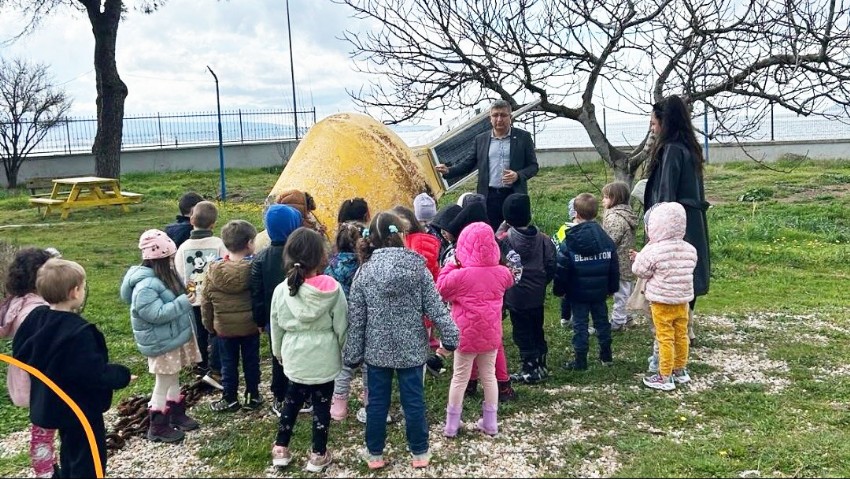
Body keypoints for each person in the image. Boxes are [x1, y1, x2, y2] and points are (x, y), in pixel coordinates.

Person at [343, 211, 459, 470]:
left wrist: (351, 356)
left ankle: (375, 454)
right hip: (411, 350)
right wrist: (450, 338)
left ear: (370, 239)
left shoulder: (364, 273)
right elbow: (436, 308)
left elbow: (357, 320)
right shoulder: (417, 268)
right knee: (414, 401)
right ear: (400, 236)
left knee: (376, 404)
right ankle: (419, 452)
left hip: (376, 352)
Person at [15, 259, 131, 478]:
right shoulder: (79, 332)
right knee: (86, 458)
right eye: (83, 286)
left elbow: (22, 352)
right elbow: (93, 373)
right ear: (75, 292)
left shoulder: (34, 319)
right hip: (80, 407)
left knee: (69, 449)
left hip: (48, 401)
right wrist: (122, 375)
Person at [269, 228, 348, 472]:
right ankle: (318, 454)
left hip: (295, 355)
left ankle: (281, 448)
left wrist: (278, 352)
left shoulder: (282, 290)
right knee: (322, 406)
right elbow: (342, 325)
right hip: (325, 356)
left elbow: (276, 325)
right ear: (321, 257)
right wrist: (344, 350)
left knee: (292, 402)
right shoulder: (333, 289)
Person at [121, 229, 201, 443]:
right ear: (162, 259)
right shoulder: (146, 286)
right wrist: (184, 301)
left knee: (172, 376)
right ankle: (157, 425)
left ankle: (176, 413)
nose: (174, 261)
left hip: (170, 339)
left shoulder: (161, 277)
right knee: (163, 381)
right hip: (161, 343)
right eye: (171, 258)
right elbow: (155, 314)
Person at [643, 95, 710, 346]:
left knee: (668, 271)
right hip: (692, 219)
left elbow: (666, 193)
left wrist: (656, 227)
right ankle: (687, 325)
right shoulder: (691, 148)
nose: (652, 128)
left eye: (653, 123)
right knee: (686, 271)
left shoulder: (670, 150)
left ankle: (676, 327)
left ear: (664, 121)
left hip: (673, 221)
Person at [437, 222, 514, 438]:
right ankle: (490, 422)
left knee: (459, 378)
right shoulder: (502, 273)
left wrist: (453, 263)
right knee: (489, 376)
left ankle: (452, 425)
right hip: (491, 336)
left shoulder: (460, 276)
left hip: (465, 335)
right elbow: (510, 278)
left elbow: (441, 287)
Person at [435, 100, 539, 231]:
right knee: (491, 233)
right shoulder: (481, 139)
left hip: (514, 197)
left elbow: (533, 166)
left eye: (503, 115)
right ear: (490, 118)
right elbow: (468, 164)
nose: (499, 119)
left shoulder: (523, 137)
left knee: (515, 234)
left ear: (510, 117)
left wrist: (518, 175)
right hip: (489, 197)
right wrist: (448, 171)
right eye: (495, 115)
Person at [0, 248, 57, 478]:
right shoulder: (37, 312)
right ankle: (45, 472)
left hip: (28, 374)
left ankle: (46, 468)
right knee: (44, 428)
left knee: (42, 425)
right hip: (42, 375)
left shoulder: (18, 302)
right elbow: (45, 347)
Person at [631, 202, 698, 391]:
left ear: (655, 225)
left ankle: (664, 376)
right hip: (683, 301)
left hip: (661, 302)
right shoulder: (690, 249)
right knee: (681, 335)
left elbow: (639, 270)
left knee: (665, 338)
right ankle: (680, 370)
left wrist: (642, 254)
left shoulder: (654, 250)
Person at [201, 220, 263, 412]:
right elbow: (259, 296)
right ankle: (253, 396)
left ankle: (230, 397)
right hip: (250, 326)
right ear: (250, 243)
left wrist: (209, 325)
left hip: (224, 328)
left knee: (228, 363)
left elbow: (206, 302)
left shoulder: (212, 271)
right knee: (251, 361)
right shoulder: (254, 269)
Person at [553, 193, 619, 371]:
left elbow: (562, 268)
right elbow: (614, 266)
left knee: (580, 325)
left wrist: (559, 290)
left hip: (577, 293)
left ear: (576, 214)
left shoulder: (569, 241)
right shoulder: (606, 239)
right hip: (600, 292)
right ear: (596, 213)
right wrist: (613, 288)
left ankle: (580, 360)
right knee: (602, 322)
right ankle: (606, 356)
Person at [250, 204, 303, 417]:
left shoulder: (261, 258)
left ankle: (279, 396)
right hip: (299, 315)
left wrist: (259, 320)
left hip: (275, 320)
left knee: (278, 357)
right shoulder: (300, 255)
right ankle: (301, 393)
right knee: (300, 353)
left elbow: (257, 293)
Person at [498, 193, 556, 384]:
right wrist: (542, 282)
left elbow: (497, 252)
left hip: (516, 295)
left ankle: (529, 369)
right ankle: (541, 364)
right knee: (536, 327)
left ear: (507, 217)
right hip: (536, 294)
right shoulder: (543, 239)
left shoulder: (505, 239)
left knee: (522, 332)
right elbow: (551, 264)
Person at [174, 201, 228, 390]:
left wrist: (188, 292)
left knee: (199, 330)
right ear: (213, 224)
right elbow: (224, 267)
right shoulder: (219, 244)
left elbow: (180, 273)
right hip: (213, 297)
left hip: (193, 296)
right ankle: (214, 367)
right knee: (213, 329)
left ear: (191, 220)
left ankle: (201, 363)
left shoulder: (183, 247)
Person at [326, 220, 365, 421]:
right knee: (368, 365)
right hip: (363, 320)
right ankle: (370, 403)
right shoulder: (364, 264)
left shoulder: (330, 264)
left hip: (339, 320)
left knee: (343, 365)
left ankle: (339, 405)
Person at [601, 181, 638, 331]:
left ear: (614, 198)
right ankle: (628, 317)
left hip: (619, 262)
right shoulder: (626, 213)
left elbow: (610, 241)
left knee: (621, 294)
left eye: (605, 197)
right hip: (626, 260)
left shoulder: (615, 218)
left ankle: (617, 322)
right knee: (627, 291)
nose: (602, 200)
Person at [554, 198, 578, 329]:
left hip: (564, 268)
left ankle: (564, 318)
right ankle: (575, 320)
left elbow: (555, 245)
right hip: (578, 269)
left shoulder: (563, 228)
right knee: (576, 296)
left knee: (565, 295)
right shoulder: (583, 229)